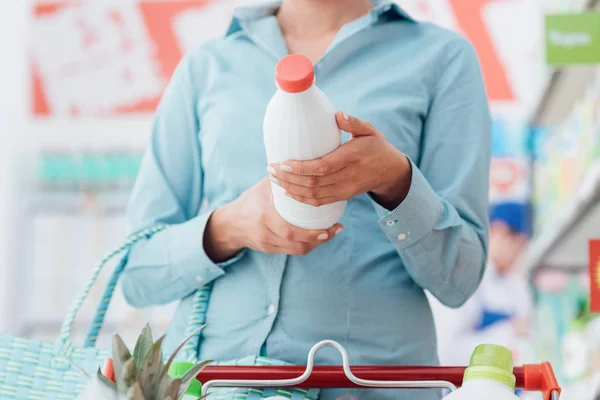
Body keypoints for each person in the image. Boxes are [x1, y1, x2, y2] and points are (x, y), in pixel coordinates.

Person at [120, 1, 491, 398]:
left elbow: (460, 280)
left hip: (366, 388)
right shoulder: (207, 67)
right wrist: (226, 229)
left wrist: (395, 181)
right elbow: (136, 274)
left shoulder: (442, 58)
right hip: (212, 387)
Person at [429, 202, 533, 367]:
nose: (520, 255)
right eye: (520, 245)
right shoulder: (463, 279)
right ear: (499, 232)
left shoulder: (513, 283)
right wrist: (509, 331)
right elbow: (448, 353)